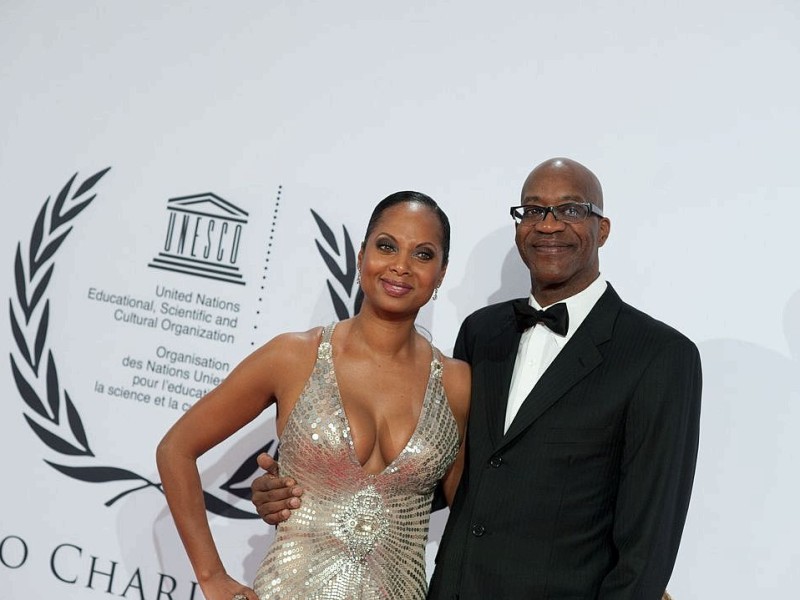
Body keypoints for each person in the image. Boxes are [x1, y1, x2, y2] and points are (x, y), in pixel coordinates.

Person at [251, 158, 702, 599]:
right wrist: (308, 492)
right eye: (533, 210)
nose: (548, 224)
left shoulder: (659, 357)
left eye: (570, 210)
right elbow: (452, 483)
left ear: (602, 229)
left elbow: (649, 543)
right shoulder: (482, 333)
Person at [156, 191, 470, 600]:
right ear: (361, 256)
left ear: (442, 272)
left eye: (423, 254)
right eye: (386, 246)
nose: (400, 266)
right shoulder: (293, 357)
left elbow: (471, 518)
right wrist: (213, 576)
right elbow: (175, 448)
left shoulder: (457, 384)